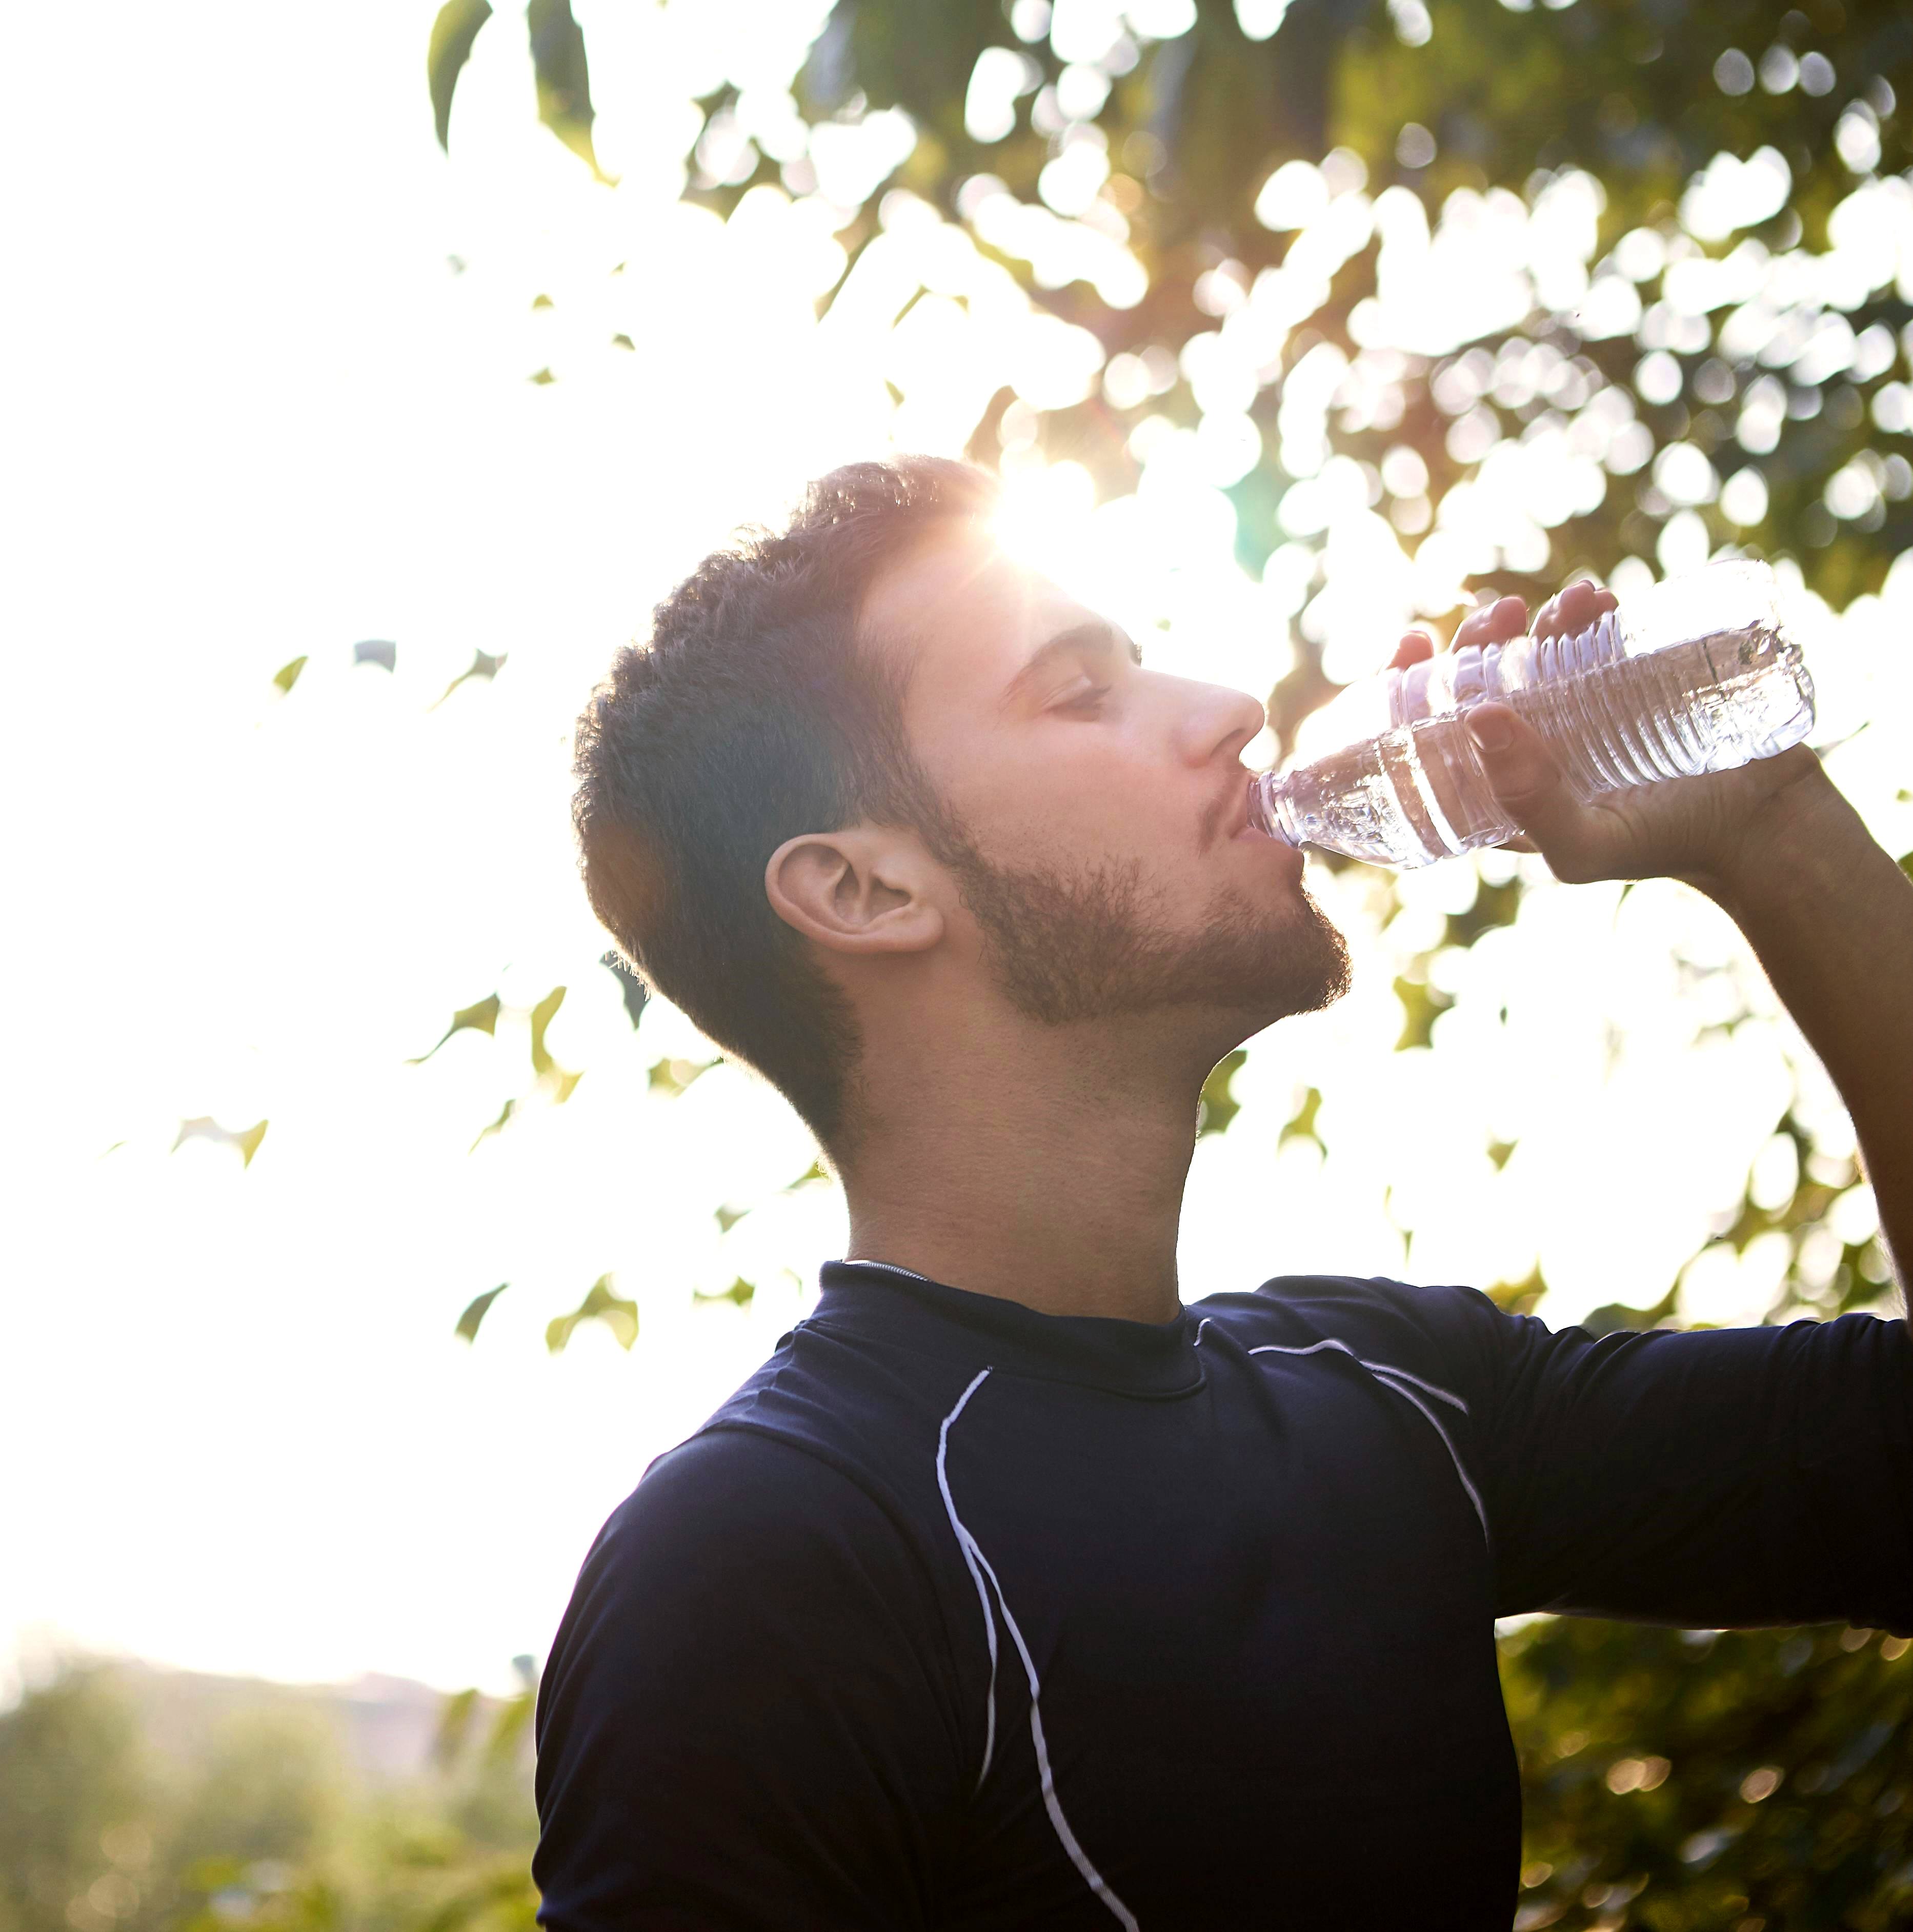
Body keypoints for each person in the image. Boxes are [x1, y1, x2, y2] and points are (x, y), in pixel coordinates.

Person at [536, 455, 1913, 1928]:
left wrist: (1775, 835)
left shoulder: (1392, 1392)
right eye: (1080, 693)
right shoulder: (769, 1556)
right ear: (864, 892)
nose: (1229, 711)